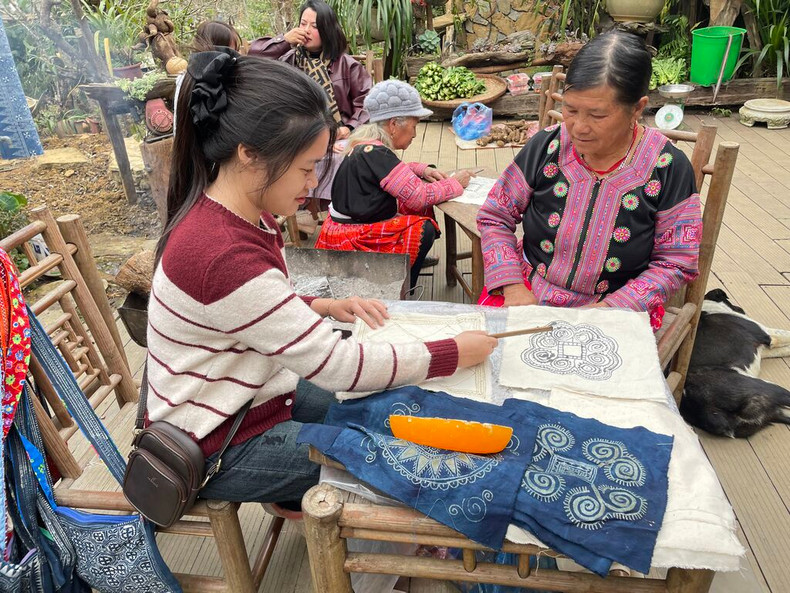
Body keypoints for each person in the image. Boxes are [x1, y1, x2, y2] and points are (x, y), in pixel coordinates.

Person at [147, 50, 497, 506]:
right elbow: (339, 366)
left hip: (261, 396)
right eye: (306, 168)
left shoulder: (244, 215)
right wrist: (452, 352)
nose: (313, 184)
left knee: (386, 410)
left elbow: (255, 308)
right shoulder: (220, 251)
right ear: (249, 155)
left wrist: (324, 307)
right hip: (219, 442)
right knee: (403, 457)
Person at [477, 31, 701, 329]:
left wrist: (612, 308)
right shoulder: (546, 147)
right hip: (527, 292)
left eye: (597, 115)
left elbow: (676, 260)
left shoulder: (668, 167)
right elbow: (495, 216)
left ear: (637, 107)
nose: (578, 127)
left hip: (616, 310)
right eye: (570, 109)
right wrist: (513, 286)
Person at [315, 79, 476, 290]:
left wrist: (422, 169)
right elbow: (419, 197)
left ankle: (407, 261)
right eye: (414, 125)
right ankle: (403, 286)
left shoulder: (367, 147)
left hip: (345, 226)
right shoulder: (376, 153)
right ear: (393, 124)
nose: (415, 133)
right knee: (423, 228)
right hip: (355, 235)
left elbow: (390, 173)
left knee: (412, 201)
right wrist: (455, 183)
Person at [249, 0, 371, 200]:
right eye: (303, 24)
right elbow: (255, 56)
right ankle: (301, 205)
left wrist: (348, 128)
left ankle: (340, 209)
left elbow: (367, 102)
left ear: (327, 29)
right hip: (299, 136)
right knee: (281, 158)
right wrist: (284, 40)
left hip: (341, 137)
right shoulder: (288, 60)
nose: (306, 30)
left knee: (347, 157)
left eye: (314, 26)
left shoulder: (347, 65)